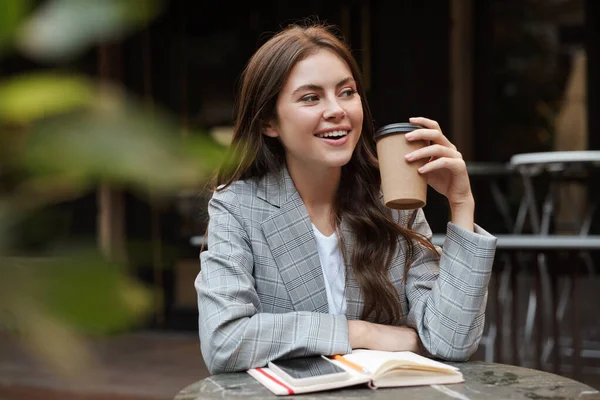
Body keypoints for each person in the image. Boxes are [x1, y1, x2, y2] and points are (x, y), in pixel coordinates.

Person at [195, 21, 497, 375]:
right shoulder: (238, 206)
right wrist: (360, 332)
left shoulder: (392, 202)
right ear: (268, 123)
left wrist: (461, 204)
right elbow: (224, 341)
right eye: (311, 97)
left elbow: (451, 341)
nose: (336, 109)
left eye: (347, 92)